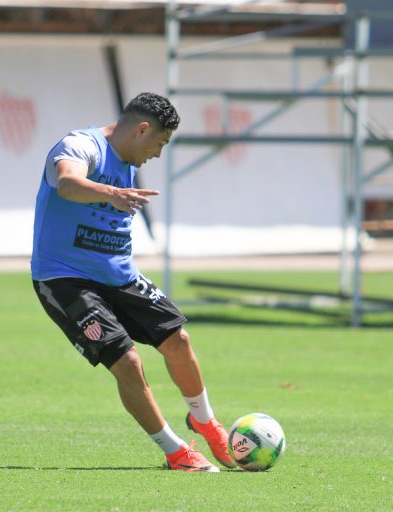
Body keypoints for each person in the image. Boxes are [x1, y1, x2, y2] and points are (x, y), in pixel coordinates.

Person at [31, 92, 235, 472]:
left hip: (119, 276)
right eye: (159, 142)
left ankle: (205, 422)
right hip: (65, 279)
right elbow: (67, 184)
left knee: (179, 340)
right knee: (127, 361)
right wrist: (112, 193)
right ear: (142, 130)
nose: (158, 153)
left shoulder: (128, 158)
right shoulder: (80, 145)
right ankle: (176, 452)